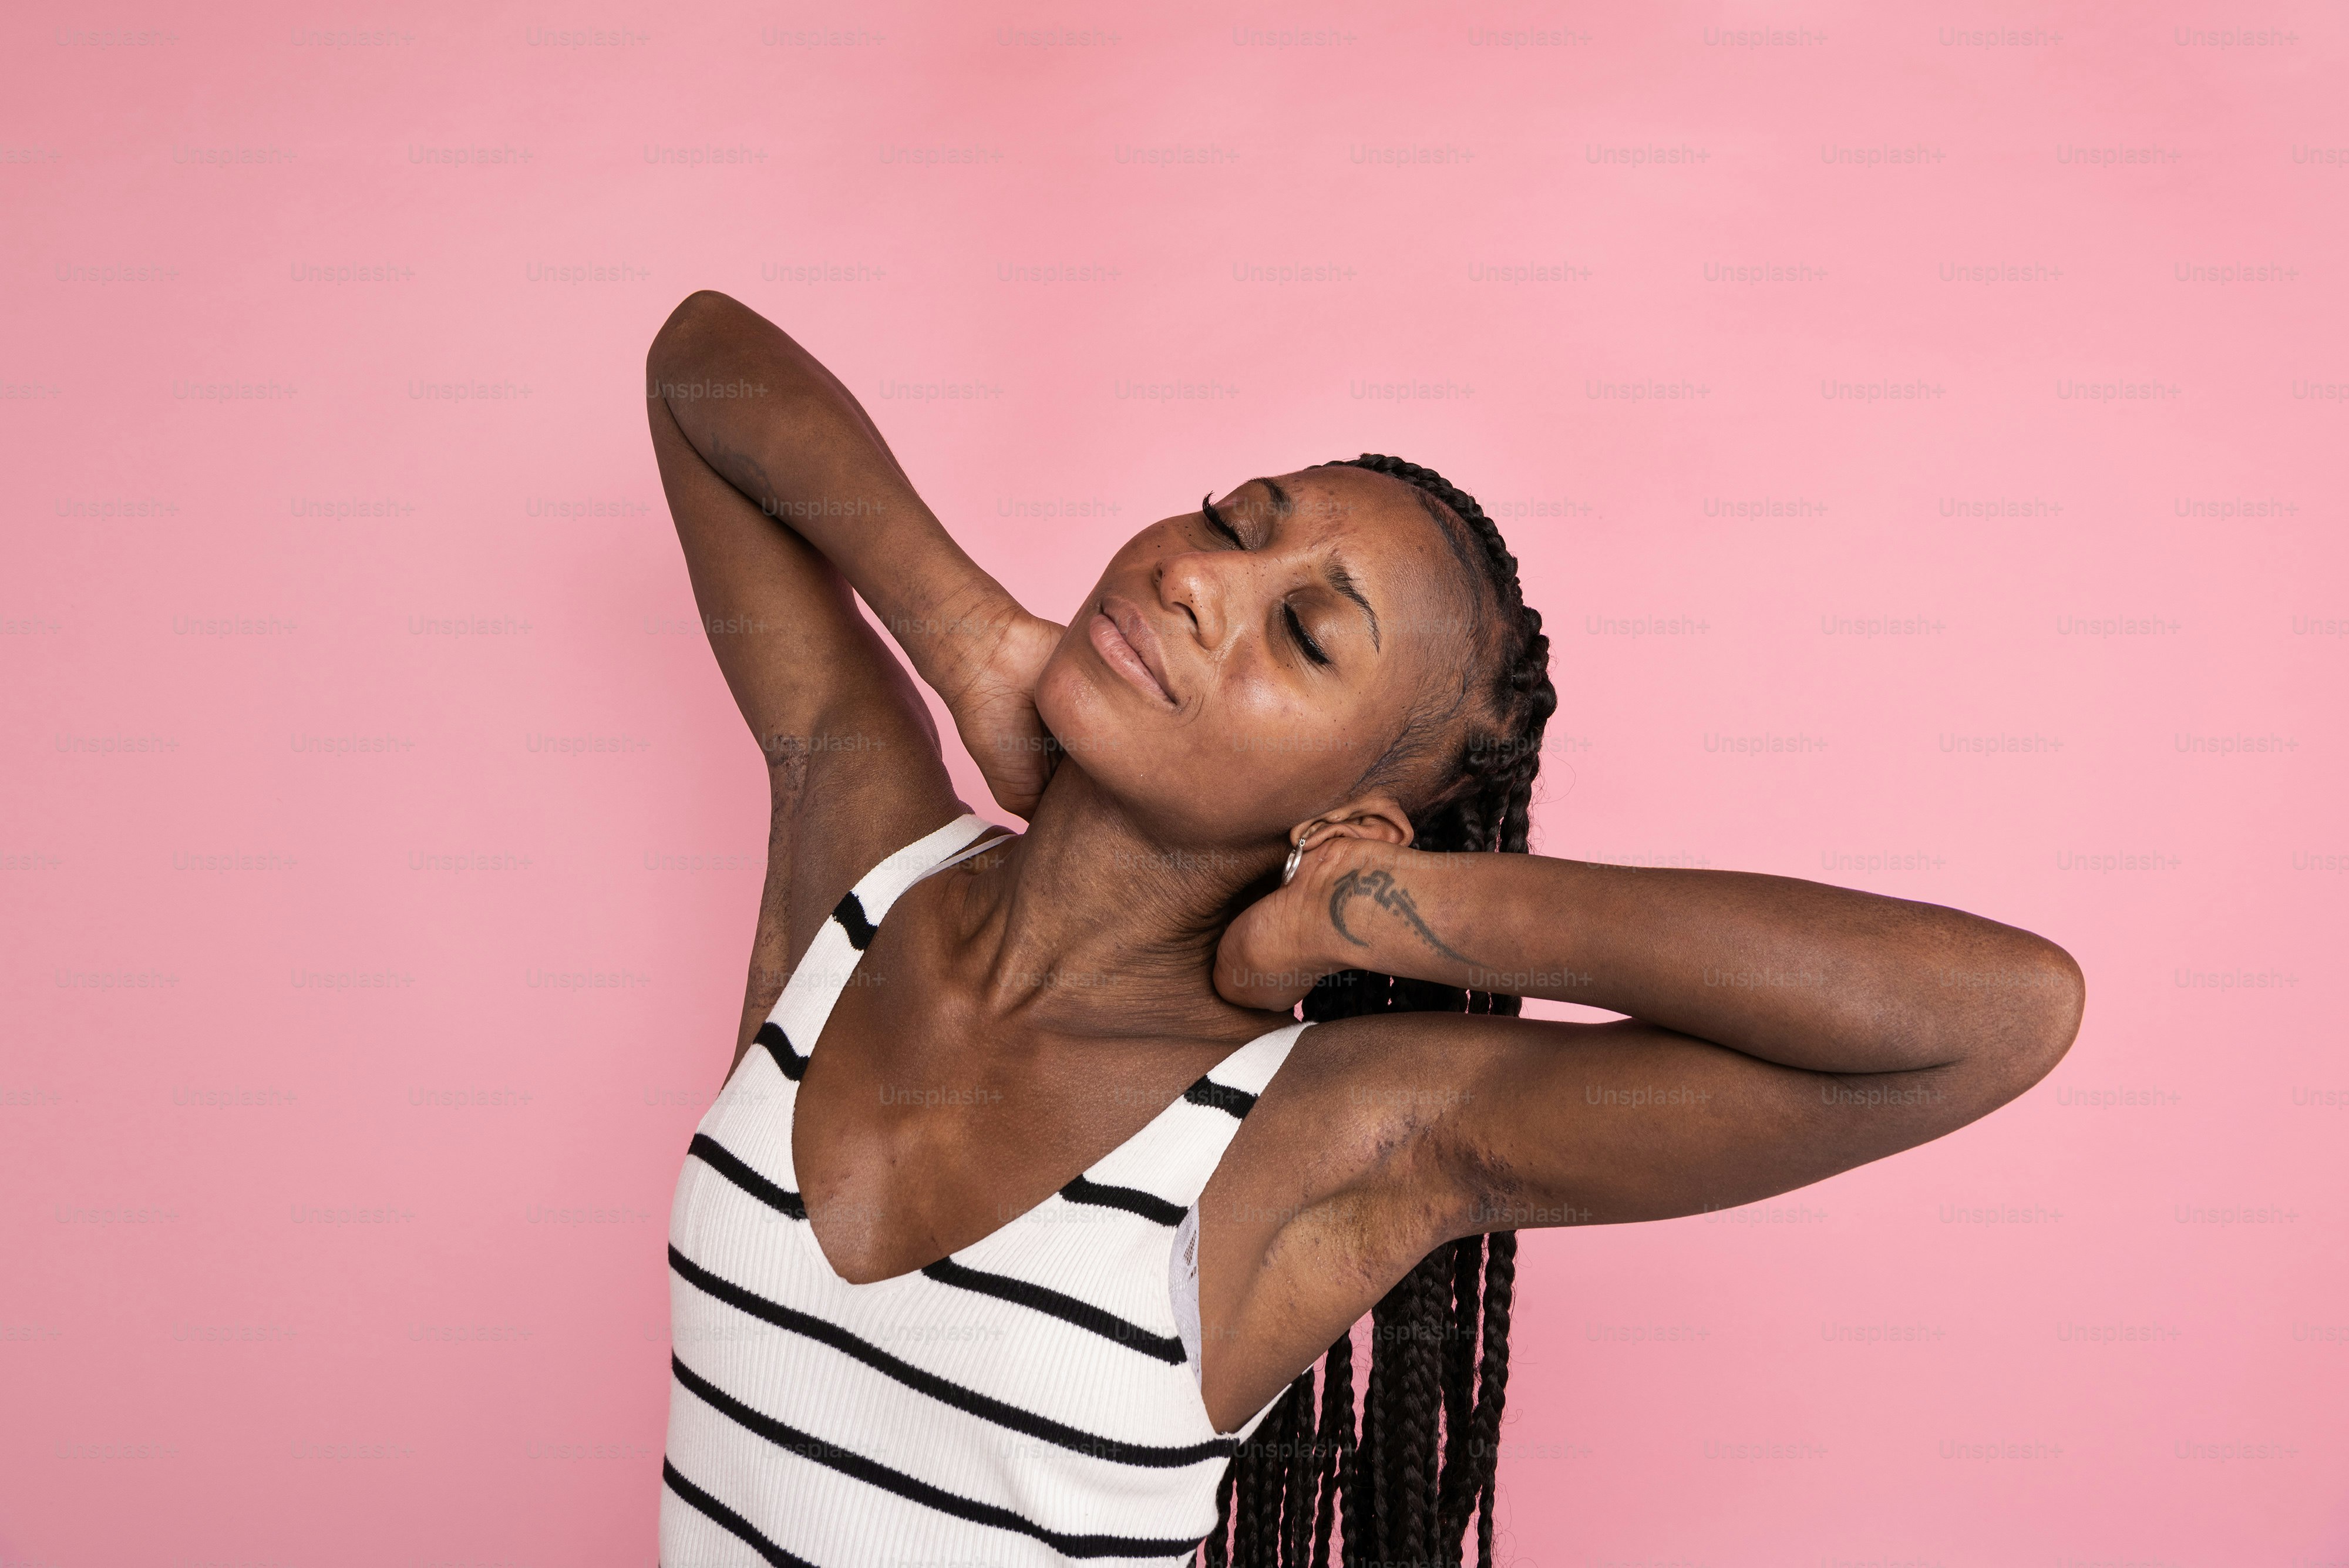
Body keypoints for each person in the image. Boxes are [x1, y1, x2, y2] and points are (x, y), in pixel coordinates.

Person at [641, 290, 2086, 1568]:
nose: (1195, 582)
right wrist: (960, 631)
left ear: (1356, 816)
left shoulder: (1327, 1133)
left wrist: (1385, 912)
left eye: (1307, 635)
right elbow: (702, 364)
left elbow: (1988, 1017)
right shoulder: (867, 872)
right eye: (1227, 523)